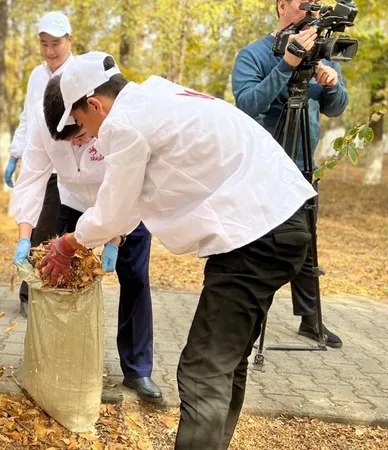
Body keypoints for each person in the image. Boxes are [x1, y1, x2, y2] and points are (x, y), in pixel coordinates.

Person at [40, 51, 317, 449]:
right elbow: (130, 204)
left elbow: (113, 210)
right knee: (227, 361)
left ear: (95, 105)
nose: (92, 138)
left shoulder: (125, 124)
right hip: (279, 222)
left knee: (203, 371)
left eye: (83, 126)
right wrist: (106, 232)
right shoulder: (157, 96)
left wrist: (68, 243)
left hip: (254, 236)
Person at [10, 103, 162, 402]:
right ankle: (58, 360)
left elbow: (130, 185)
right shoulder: (43, 122)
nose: (74, 144)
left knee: (135, 279)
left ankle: (137, 369)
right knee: (60, 278)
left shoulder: (117, 122)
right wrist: (24, 236)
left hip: (128, 206)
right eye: (66, 140)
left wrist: (114, 238)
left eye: (79, 136)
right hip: (74, 203)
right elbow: (32, 178)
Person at [231, 0, 349, 348]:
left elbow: (335, 108)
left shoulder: (321, 53)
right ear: (282, 5)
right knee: (259, 242)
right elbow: (247, 104)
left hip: (303, 166)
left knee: (306, 242)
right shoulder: (254, 54)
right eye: (302, 2)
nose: (311, 10)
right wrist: (286, 65)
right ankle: (246, 316)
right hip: (264, 167)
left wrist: (331, 84)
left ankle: (311, 320)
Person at [4, 11, 75, 318]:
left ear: (70, 41)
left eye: (56, 43)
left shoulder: (78, 73)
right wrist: (15, 154)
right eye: (44, 44)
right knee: (38, 229)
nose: (50, 50)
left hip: (67, 166)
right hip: (38, 161)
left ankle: (52, 290)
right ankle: (30, 292)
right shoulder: (36, 74)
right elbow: (28, 117)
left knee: (57, 230)